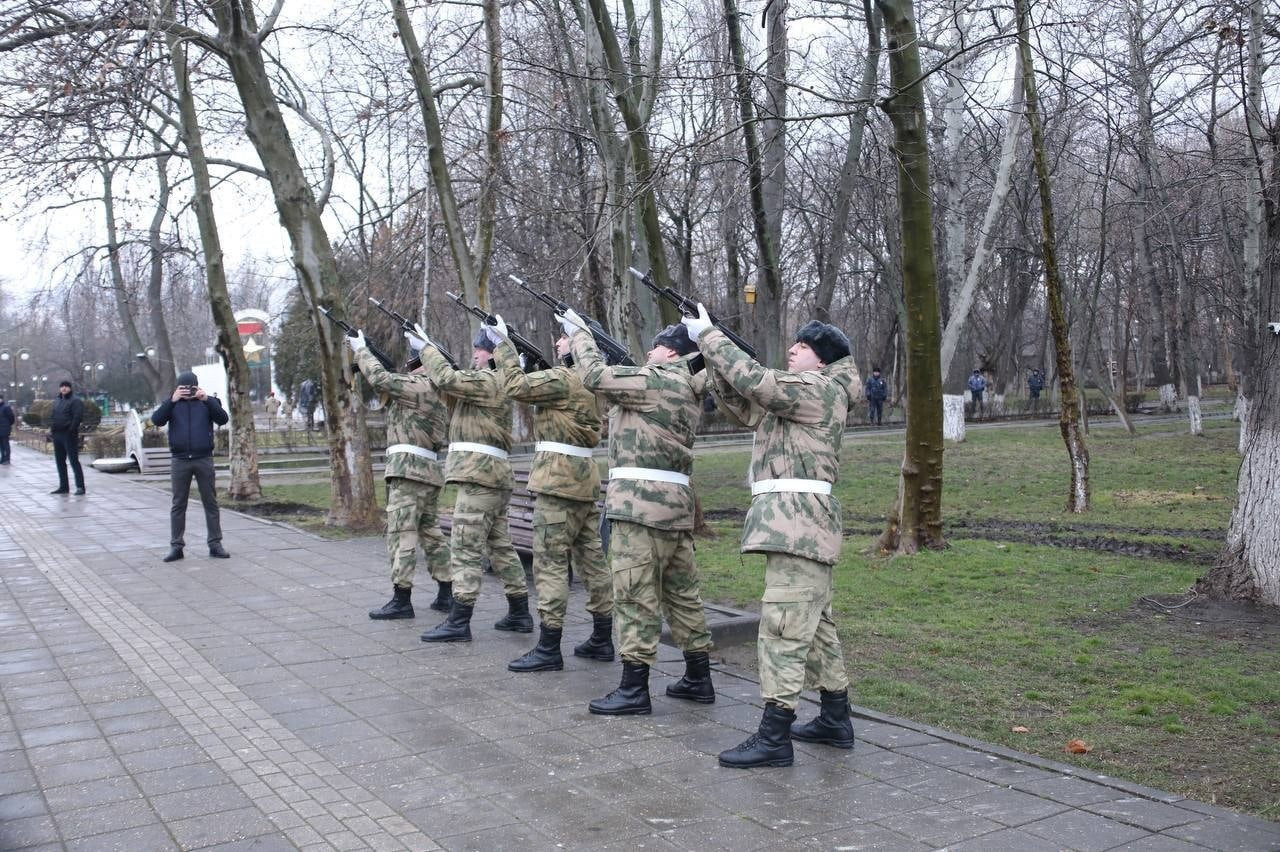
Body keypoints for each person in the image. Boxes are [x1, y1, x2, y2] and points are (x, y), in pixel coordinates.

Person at [684, 307, 860, 768]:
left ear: (822, 360)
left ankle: (774, 735)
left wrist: (710, 336)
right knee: (815, 629)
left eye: (803, 346)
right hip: (794, 525)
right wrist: (714, 357)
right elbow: (745, 405)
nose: (793, 349)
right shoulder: (798, 395)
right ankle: (835, 719)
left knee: (782, 628)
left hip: (799, 526)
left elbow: (758, 382)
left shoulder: (819, 389)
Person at [557, 308, 715, 715]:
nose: (650, 351)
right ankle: (699, 677)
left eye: (658, 346)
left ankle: (634, 687)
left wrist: (580, 334)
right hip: (674, 507)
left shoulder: (656, 379)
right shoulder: (686, 385)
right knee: (682, 595)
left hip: (639, 508)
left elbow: (593, 375)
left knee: (633, 594)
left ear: (674, 353)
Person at [490, 319, 613, 673]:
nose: (558, 342)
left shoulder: (563, 379)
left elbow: (514, 386)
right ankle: (602, 637)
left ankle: (549, 646)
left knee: (550, 562)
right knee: (591, 559)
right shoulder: (593, 381)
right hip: (584, 479)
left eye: (565, 337)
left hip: (558, 481)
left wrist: (504, 345)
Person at [412, 323, 531, 643]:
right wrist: (434, 360)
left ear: (493, 355)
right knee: (500, 547)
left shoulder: (489, 380)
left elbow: (448, 379)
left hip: (480, 478)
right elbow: (446, 387)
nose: (476, 354)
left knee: (464, 546)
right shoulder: (486, 382)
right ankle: (520, 612)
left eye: (481, 349)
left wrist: (427, 349)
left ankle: (459, 619)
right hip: (490, 477)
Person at [346, 334, 453, 620]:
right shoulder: (433, 389)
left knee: (401, 533)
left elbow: (381, 380)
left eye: (415, 362)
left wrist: (361, 351)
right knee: (431, 533)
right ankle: (447, 591)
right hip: (425, 472)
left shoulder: (422, 385)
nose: (410, 367)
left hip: (408, 471)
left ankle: (401, 598)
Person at [151, 371, 230, 562]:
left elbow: (223, 419)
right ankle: (176, 546)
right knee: (178, 503)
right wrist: (172, 400)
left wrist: (207, 399)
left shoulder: (208, 402)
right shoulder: (172, 403)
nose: (188, 391)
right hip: (180, 459)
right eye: (183, 388)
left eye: (191, 387)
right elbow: (157, 420)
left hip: (203, 457)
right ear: (178, 387)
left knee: (210, 502)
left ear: (197, 386)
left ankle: (215, 544)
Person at [49, 380, 85, 495]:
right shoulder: (57, 401)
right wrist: (52, 430)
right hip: (57, 434)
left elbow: (77, 417)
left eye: (66, 386)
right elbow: (53, 416)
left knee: (74, 461)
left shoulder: (75, 401)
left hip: (69, 434)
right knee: (60, 462)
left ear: (70, 388)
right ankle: (63, 487)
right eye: (62, 386)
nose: (64, 388)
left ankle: (80, 487)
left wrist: (71, 430)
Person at [0, 394, 14, 464]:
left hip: (5, 428)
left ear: (1, 399)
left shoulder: (6, 407)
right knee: (1, 445)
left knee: (5, 444)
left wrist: (7, 425)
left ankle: (7, 459)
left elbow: (11, 418)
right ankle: (3, 458)